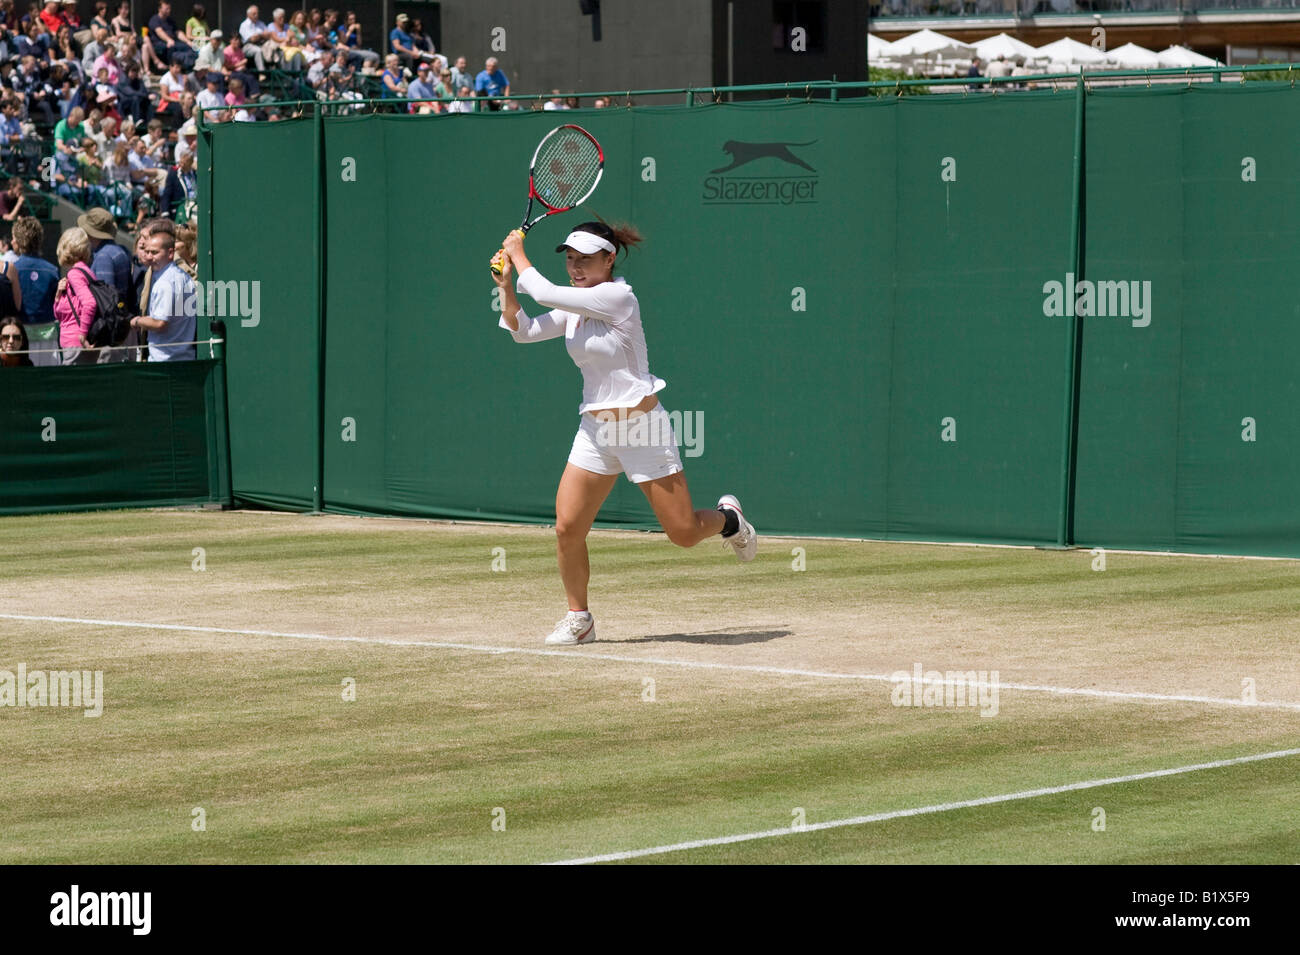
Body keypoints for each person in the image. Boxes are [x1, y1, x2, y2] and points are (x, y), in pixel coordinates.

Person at [490, 221, 757, 645]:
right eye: (570, 259)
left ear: (609, 259)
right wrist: (507, 286)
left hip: (640, 429)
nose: (575, 267)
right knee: (567, 527)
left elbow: (540, 292)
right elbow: (525, 331)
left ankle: (730, 520)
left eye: (585, 259)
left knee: (683, 534)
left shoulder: (618, 297)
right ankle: (580, 619)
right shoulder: (576, 307)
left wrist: (517, 252)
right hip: (595, 430)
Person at [129, 225, 194, 361]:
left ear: (170, 253)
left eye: (154, 252)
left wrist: (136, 321)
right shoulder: (179, 275)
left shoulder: (166, 281)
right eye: (147, 252)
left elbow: (159, 322)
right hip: (180, 357)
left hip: (166, 361)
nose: (149, 256)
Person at [54, 225, 100, 364]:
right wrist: (58, 296)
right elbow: (59, 315)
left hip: (76, 347)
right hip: (76, 346)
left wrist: (82, 335)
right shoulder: (86, 271)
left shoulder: (75, 274)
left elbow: (90, 303)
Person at [11, 216, 58, 325]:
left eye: (14, 237)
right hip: (47, 334)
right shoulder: (52, 270)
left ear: (19, 240)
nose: (12, 241)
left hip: (20, 332)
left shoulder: (11, 270)